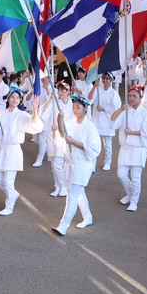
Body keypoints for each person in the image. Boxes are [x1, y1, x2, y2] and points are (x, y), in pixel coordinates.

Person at [0, 87, 42, 216]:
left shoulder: (21, 114)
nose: (15, 100)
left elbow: (34, 124)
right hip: (1, 150)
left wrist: (35, 108)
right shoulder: (1, 112)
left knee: (8, 181)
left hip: (13, 150)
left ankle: (9, 206)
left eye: (18, 98)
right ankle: (12, 194)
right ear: (8, 98)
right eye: (12, 97)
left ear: (20, 100)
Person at [51, 96, 101, 236]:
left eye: (78, 107)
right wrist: (59, 119)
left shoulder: (90, 126)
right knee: (78, 193)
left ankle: (63, 226)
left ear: (85, 108)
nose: (75, 110)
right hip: (70, 163)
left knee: (72, 195)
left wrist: (73, 142)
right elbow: (62, 133)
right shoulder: (71, 122)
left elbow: (94, 148)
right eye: (73, 107)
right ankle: (88, 217)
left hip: (82, 165)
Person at [110, 86, 147, 212]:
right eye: (129, 96)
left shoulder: (145, 113)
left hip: (138, 149)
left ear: (141, 98)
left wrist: (132, 132)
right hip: (125, 148)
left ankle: (134, 201)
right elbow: (112, 123)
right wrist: (120, 109)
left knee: (135, 177)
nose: (131, 98)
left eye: (134, 96)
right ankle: (130, 194)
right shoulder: (125, 111)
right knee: (121, 174)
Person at [88, 72, 121, 170]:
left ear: (111, 81)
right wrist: (94, 87)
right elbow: (89, 99)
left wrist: (104, 109)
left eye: (107, 79)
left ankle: (107, 162)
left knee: (107, 144)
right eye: (103, 78)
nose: (105, 80)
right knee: (94, 142)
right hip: (96, 120)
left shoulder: (114, 93)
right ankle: (92, 163)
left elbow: (116, 107)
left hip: (107, 121)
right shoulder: (98, 90)